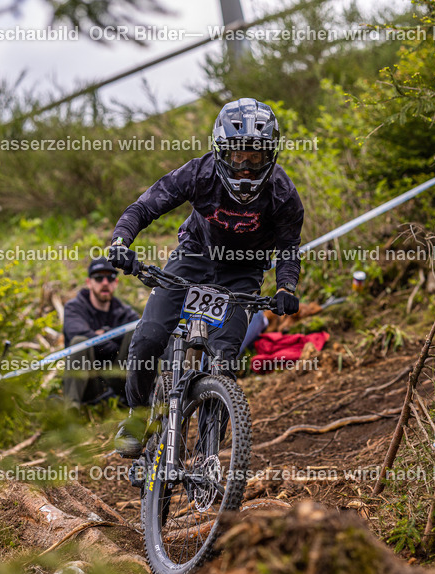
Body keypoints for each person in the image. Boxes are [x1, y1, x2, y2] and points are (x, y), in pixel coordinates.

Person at [106, 98, 304, 454]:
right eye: (237, 156)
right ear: (220, 152)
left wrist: (286, 286)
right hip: (193, 256)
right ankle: (137, 416)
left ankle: (207, 453)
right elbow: (145, 206)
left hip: (244, 270)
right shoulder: (199, 173)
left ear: (270, 156)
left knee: (224, 359)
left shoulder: (283, 194)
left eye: (255, 157)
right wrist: (121, 241)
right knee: (150, 337)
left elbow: (289, 246)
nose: (245, 167)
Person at [60, 257, 141, 405]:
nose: (105, 283)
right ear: (89, 282)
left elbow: (138, 334)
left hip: (118, 378)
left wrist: (102, 335)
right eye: (98, 278)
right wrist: (113, 343)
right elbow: (76, 333)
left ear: (115, 283)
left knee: (136, 333)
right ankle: (71, 411)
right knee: (79, 342)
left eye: (110, 278)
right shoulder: (74, 308)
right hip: (88, 381)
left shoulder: (125, 312)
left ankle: (143, 403)